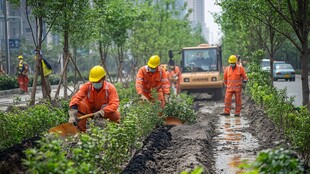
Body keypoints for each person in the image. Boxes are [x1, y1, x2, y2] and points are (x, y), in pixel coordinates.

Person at [68, 65, 120, 132]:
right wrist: (72, 114)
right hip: (90, 111)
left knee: (116, 115)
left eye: (97, 81)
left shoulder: (110, 88)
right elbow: (76, 98)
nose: (95, 83)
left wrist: (102, 112)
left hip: (104, 112)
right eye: (93, 82)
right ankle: (81, 131)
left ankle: (115, 131)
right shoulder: (87, 86)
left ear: (103, 78)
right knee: (80, 105)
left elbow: (114, 104)